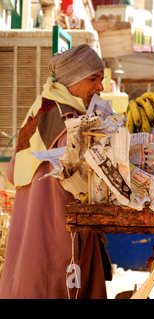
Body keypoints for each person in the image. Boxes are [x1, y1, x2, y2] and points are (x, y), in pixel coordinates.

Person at [0, 44, 110, 299]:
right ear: (72, 81)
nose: (100, 87)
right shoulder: (65, 116)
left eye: (101, 79)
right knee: (55, 283)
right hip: (56, 225)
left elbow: (14, 171)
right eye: (94, 78)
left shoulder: (43, 108)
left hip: (33, 224)